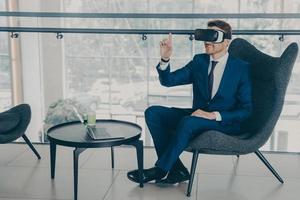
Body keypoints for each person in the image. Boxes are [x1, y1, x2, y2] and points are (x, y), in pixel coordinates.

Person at [127, 20, 252, 185]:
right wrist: (165, 59)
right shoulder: (199, 62)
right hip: (196, 116)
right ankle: (177, 169)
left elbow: (246, 110)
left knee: (188, 122)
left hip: (224, 122)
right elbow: (168, 81)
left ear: (227, 41)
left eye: (212, 36)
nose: (207, 41)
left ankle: (161, 169)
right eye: (206, 36)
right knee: (153, 113)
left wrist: (213, 115)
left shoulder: (241, 68)